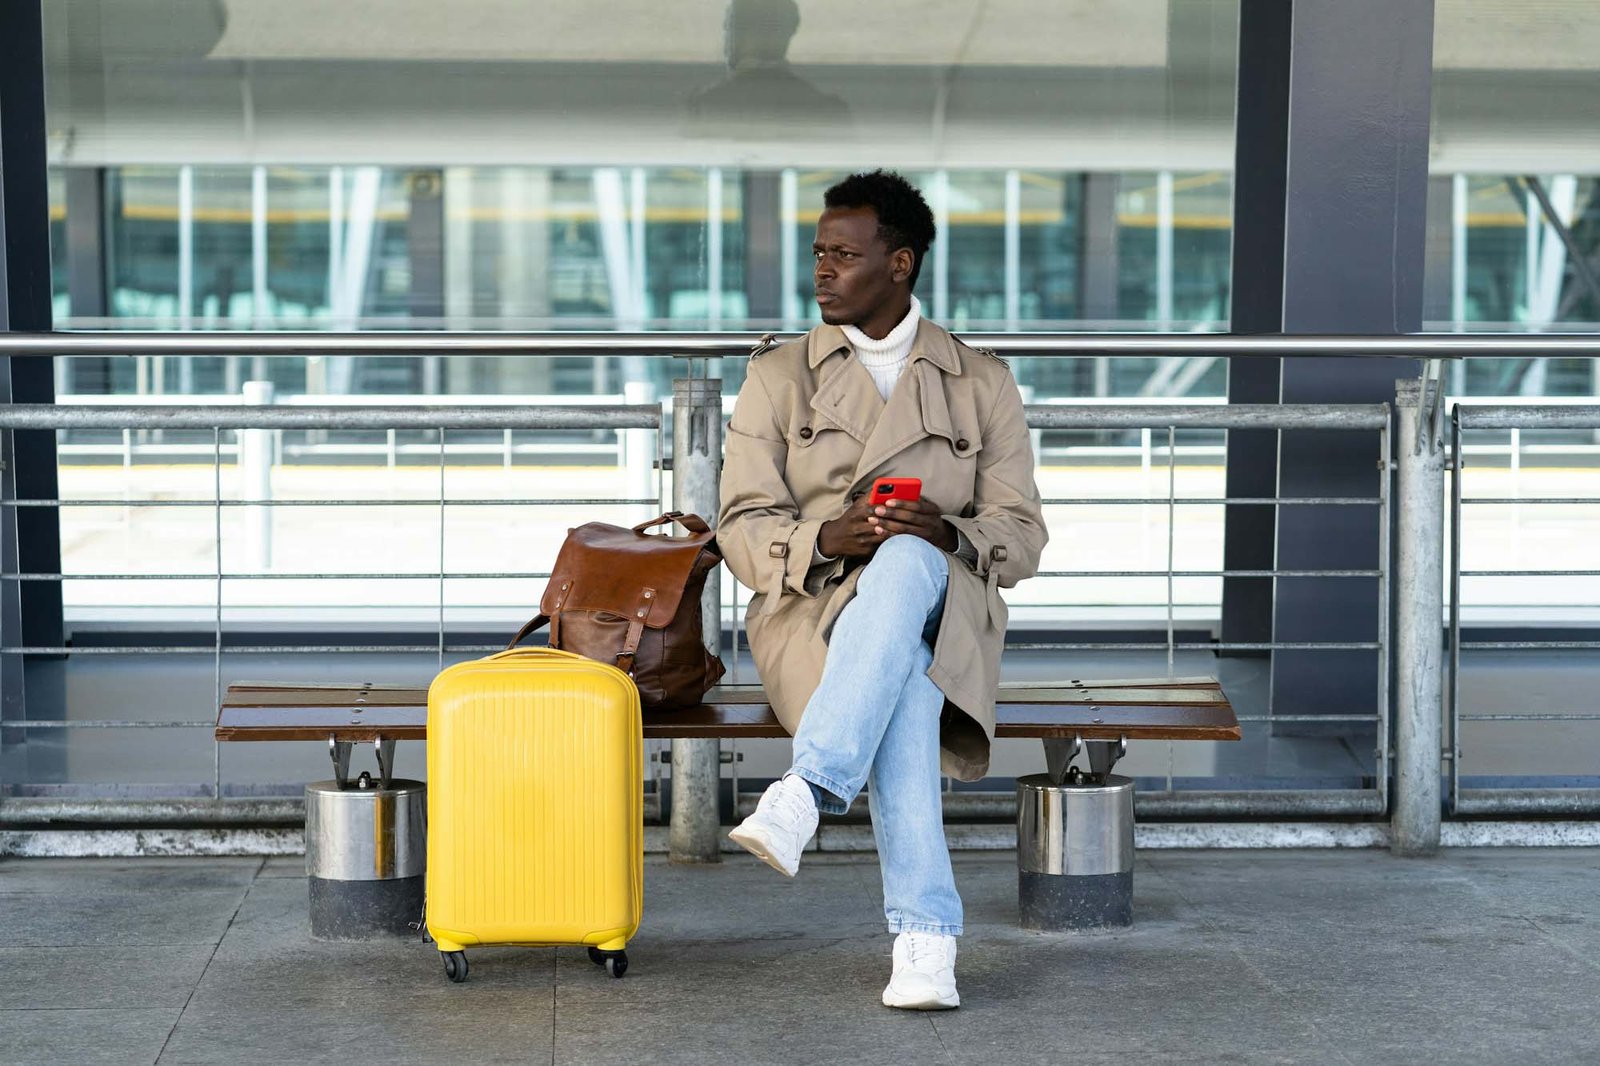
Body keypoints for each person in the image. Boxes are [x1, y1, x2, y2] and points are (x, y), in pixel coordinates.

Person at [717, 170, 1047, 1010]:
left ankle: (808, 791)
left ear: (899, 264)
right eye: (819, 253)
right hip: (811, 611)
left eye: (845, 255)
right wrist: (827, 536)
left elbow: (1021, 533)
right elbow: (740, 523)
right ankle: (926, 943)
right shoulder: (779, 376)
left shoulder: (982, 381)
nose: (823, 271)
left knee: (904, 571)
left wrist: (946, 532)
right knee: (901, 683)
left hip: (948, 605)